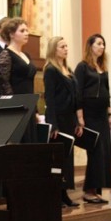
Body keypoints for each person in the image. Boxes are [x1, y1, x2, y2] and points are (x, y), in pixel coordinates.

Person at [74, 33, 111, 204]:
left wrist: (110, 114)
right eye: (99, 43)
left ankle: (97, 190)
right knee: (96, 151)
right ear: (90, 45)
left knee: (104, 152)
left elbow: (107, 93)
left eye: (103, 44)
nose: (102, 47)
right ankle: (89, 191)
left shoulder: (102, 67)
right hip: (89, 114)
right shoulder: (82, 67)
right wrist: (80, 117)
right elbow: (77, 93)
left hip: (101, 116)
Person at [43, 36, 83, 208]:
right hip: (58, 118)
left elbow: (75, 96)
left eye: (66, 46)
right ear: (54, 49)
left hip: (69, 118)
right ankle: (56, 194)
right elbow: (50, 99)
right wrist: (53, 124)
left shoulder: (68, 68)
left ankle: (65, 192)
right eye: (62, 46)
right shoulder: (51, 69)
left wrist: (77, 120)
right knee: (58, 159)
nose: (66, 49)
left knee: (67, 159)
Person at [0, 17, 38, 142]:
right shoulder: (6, 54)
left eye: (27, 30)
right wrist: (14, 105)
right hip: (17, 105)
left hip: (29, 103)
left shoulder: (27, 55)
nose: (26, 33)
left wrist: (35, 108)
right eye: (22, 30)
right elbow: (4, 82)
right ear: (11, 34)